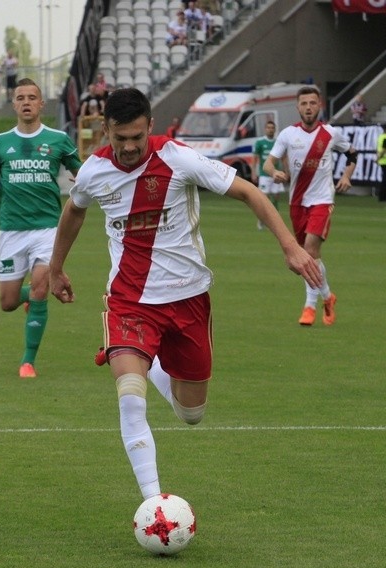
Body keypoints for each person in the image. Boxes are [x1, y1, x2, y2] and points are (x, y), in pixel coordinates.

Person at [48, 87, 320, 501]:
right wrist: (56, 267)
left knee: (192, 413)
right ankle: (154, 505)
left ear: (150, 127)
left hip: (189, 300)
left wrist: (290, 246)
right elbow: (75, 210)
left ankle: (153, 364)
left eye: (137, 137)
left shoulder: (178, 158)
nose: (129, 147)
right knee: (130, 400)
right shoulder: (93, 171)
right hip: (129, 302)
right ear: (106, 131)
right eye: (120, 138)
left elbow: (249, 192)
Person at [0, 78, 82, 378]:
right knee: (8, 302)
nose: (26, 102)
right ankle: (35, 295)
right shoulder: (1, 141)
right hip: (12, 230)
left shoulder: (59, 139)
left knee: (39, 286)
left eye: (32, 97)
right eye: (20, 97)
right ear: (14, 104)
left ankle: (28, 361)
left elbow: (81, 171)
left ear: (41, 103)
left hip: (48, 228)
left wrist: (82, 179)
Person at [264, 85, 357, 327]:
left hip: (323, 201)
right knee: (303, 259)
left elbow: (352, 154)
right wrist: (274, 172)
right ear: (298, 107)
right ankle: (328, 296)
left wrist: (346, 176)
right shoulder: (287, 135)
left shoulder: (330, 133)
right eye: (304, 103)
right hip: (297, 202)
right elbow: (268, 164)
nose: (308, 107)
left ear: (319, 106)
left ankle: (309, 307)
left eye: (312, 103)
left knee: (311, 250)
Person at [252, 120, 285, 229]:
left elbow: (283, 158)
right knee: (264, 198)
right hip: (264, 174)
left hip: (276, 174)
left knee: (275, 197)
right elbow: (255, 158)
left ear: (275, 129)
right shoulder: (260, 142)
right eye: (268, 128)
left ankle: (275, 220)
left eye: (272, 128)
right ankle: (261, 220)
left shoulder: (278, 142)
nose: (270, 129)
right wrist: (253, 172)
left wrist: (286, 171)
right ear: (265, 129)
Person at [377, 123, 386, 203]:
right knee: (385, 180)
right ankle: (382, 196)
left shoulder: (381, 136)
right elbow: (383, 150)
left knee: (384, 179)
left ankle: (381, 196)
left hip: (382, 161)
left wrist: (378, 159)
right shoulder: (385, 137)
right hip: (384, 161)